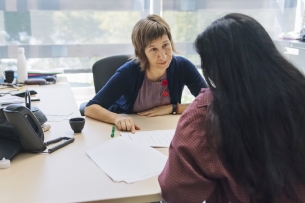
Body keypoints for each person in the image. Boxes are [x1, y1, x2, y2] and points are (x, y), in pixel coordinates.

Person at [159, 13, 305, 203]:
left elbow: (176, 193)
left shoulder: (206, 116)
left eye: (165, 46)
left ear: (213, 69)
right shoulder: (298, 93)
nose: (161, 55)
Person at [85, 14, 207, 133]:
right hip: (131, 132)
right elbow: (90, 108)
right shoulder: (128, 72)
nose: (163, 55)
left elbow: (211, 102)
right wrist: (117, 118)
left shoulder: (182, 66)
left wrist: (173, 108)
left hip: (164, 132)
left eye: (165, 45)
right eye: (153, 49)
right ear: (142, 53)